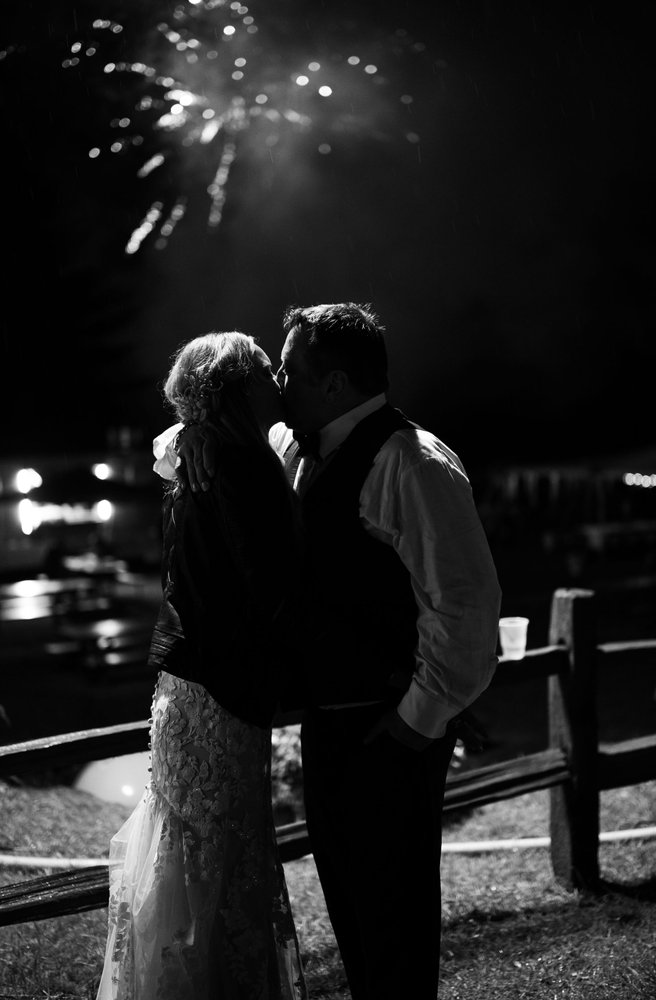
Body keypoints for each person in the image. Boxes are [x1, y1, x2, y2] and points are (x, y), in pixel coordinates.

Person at [155, 303, 502, 1000]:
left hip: (391, 727)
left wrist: (416, 721)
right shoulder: (295, 443)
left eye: (289, 370)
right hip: (328, 724)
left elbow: (464, 606)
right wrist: (194, 436)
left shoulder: (412, 461)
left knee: (395, 918)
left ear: (336, 383)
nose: (278, 384)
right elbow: (175, 442)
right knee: (350, 906)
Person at [97, 331, 309, 1000]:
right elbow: (268, 586)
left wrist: (194, 432)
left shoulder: (205, 455)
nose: (278, 379)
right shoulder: (237, 464)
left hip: (188, 685)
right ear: (238, 389)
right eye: (266, 371)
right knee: (216, 858)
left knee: (194, 853)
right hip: (221, 687)